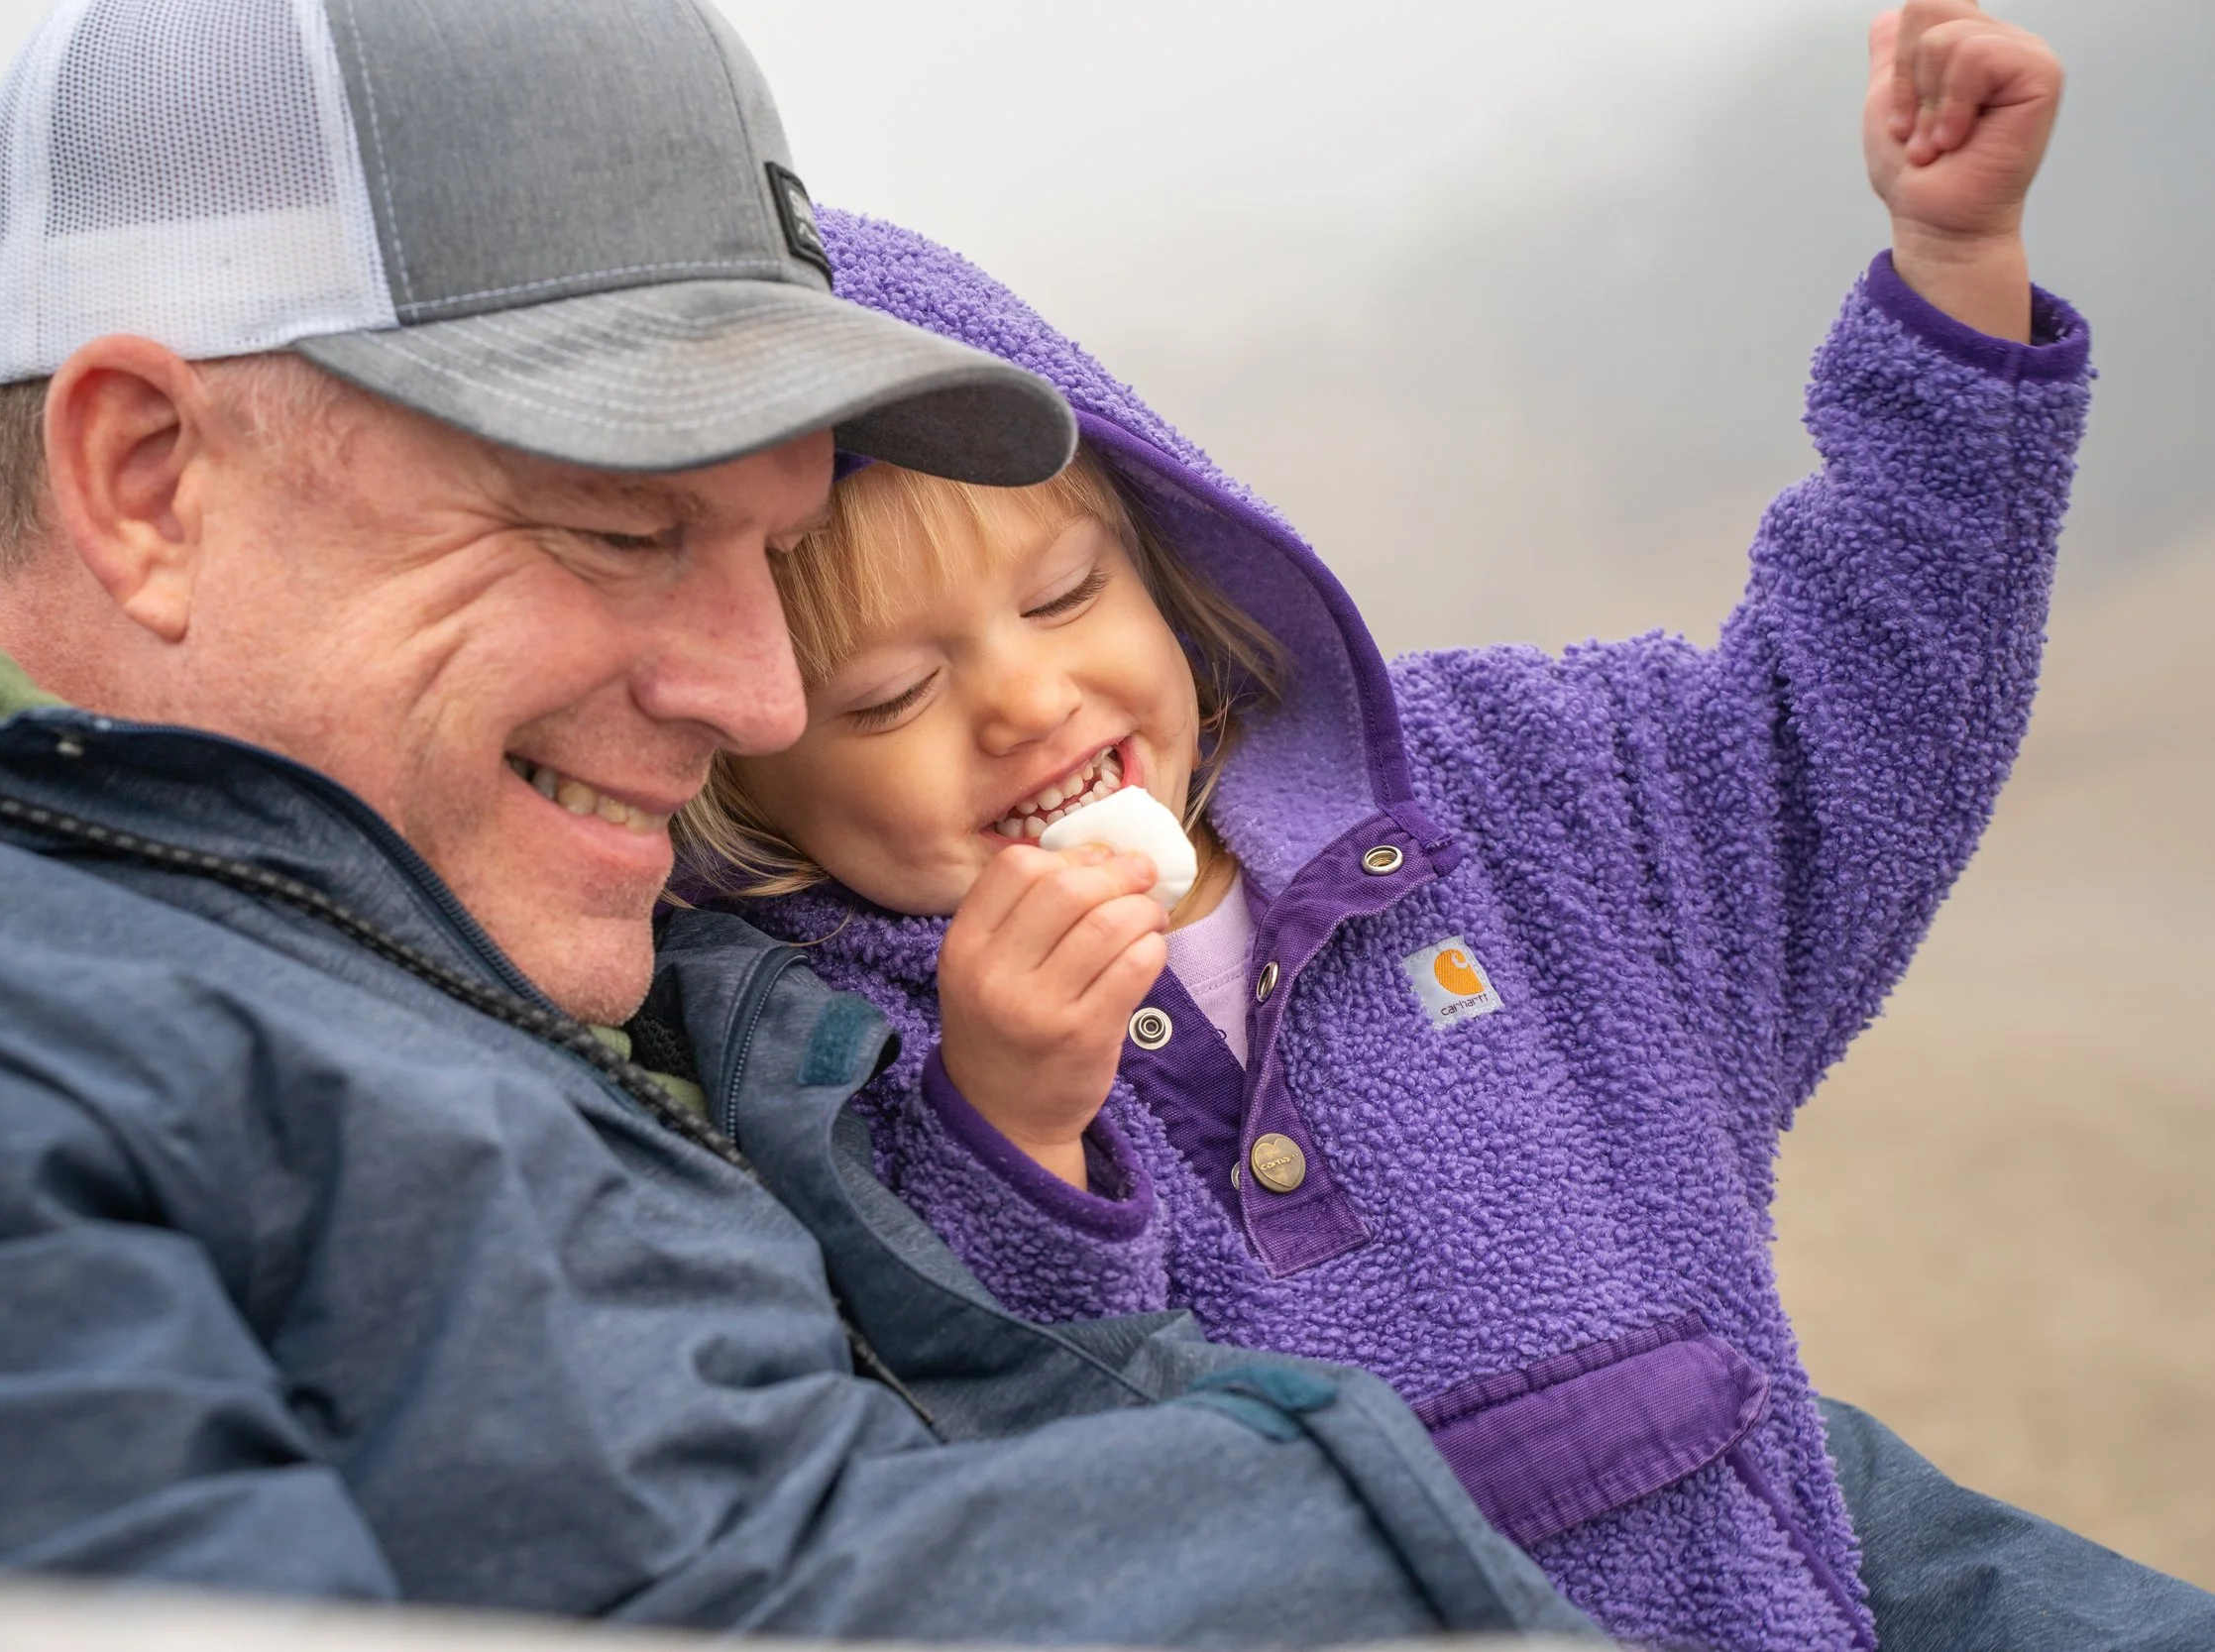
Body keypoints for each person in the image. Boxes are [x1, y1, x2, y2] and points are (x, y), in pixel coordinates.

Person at [0, 0, 1603, 1642]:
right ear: (150, 483)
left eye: (771, 556)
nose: (760, 699)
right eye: (625, 529)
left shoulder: (592, 922)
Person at [672, 6, 2214, 1648]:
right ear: (743, 773)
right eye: (894, 696)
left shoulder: (1517, 798)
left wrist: (1956, 280)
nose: (1028, 699)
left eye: (1068, 589)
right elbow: (995, 1454)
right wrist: (1019, 1131)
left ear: (1172, 549)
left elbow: (1852, 709)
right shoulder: (829, 1054)